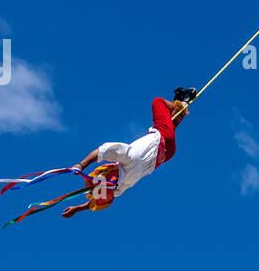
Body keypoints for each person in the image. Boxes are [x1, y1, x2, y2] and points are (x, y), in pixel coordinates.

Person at [60, 87, 196, 217]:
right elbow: (103, 151)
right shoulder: (127, 158)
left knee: (169, 123)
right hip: (162, 138)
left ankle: (181, 104)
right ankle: (179, 104)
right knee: (158, 102)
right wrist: (81, 165)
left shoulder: (119, 188)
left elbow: (97, 200)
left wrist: (77, 209)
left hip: (165, 155)